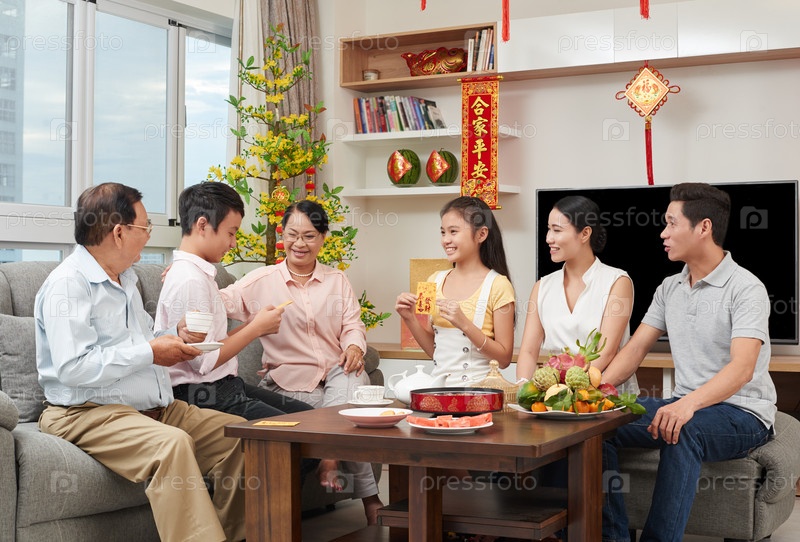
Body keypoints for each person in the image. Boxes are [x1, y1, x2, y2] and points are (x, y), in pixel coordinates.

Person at [34, 182, 246, 542]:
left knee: (238, 436)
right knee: (172, 445)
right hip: (86, 412)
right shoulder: (68, 285)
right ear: (119, 232)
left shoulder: (124, 280)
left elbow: (138, 342)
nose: (149, 236)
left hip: (152, 408)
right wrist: (151, 352)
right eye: (145, 227)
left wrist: (174, 334)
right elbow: (73, 368)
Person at [600, 182, 776, 542]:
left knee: (683, 429)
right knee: (598, 424)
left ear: (703, 227)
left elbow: (742, 369)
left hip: (744, 412)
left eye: (671, 223)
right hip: (687, 404)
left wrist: (686, 405)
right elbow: (635, 349)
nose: (663, 233)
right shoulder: (670, 288)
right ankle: (612, 537)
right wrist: (596, 392)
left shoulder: (746, 288)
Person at [217, 198, 384, 525]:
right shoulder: (262, 281)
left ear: (322, 238)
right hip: (290, 382)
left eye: (309, 236)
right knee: (352, 413)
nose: (299, 243)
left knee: (354, 377)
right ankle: (371, 498)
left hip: (338, 373)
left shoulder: (337, 280)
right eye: (292, 235)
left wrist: (354, 346)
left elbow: (353, 324)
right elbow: (218, 301)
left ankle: (329, 455)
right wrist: (189, 270)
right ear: (282, 235)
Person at [154, 182, 322, 481]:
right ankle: (233, 497)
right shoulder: (190, 279)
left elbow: (211, 344)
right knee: (304, 441)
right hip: (200, 394)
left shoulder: (200, 274)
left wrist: (252, 324)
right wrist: (255, 329)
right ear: (202, 225)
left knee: (313, 421)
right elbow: (202, 361)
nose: (232, 244)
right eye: (230, 233)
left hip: (224, 386)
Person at [516, 195, 638, 395]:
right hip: (553, 397)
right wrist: (523, 389)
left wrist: (568, 392)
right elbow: (529, 351)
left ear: (585, 233)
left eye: (557, 230)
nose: (548, 238)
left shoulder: (617, 281)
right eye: (548, 229)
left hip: (602, 398)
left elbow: (606, 353)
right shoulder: (542, 286)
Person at [395, 196, 516, 386]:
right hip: (438, 391)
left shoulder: (499, 285)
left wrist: (464, 324)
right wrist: (409, 318)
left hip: (479, 393)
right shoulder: (432, 280)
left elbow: (504, 359)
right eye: (443, 232)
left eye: (453, 232)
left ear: (481, 234)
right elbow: (435, 352)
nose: (446, 240)